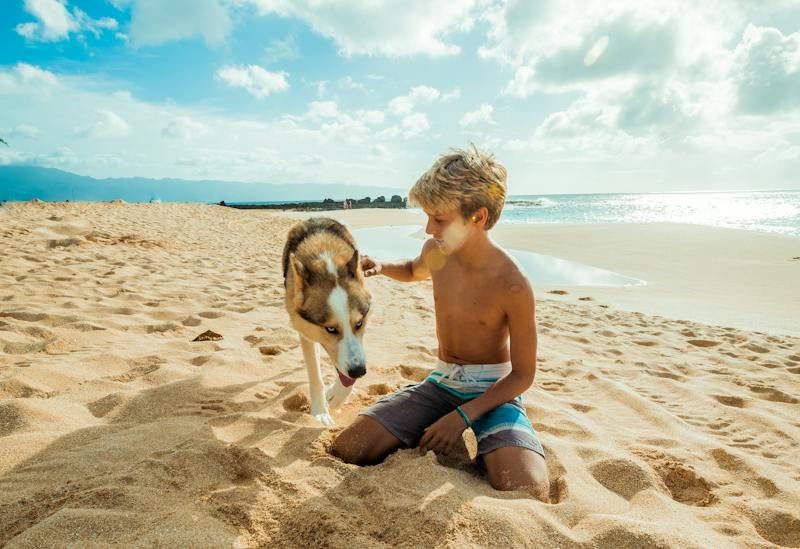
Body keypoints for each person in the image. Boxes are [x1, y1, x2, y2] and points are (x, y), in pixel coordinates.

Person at [332, 145, 549, 501]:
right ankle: (420, 415)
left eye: (439, 219)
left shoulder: (512, 283)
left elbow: (523, 375)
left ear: (477, 217)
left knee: (527, 487)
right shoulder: (437, 252)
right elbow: (415, 270)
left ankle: (492, 437)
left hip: (492, 392)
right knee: (350, 448)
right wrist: (383, 266)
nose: (428, 228)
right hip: (442, 382)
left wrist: (462, 416)